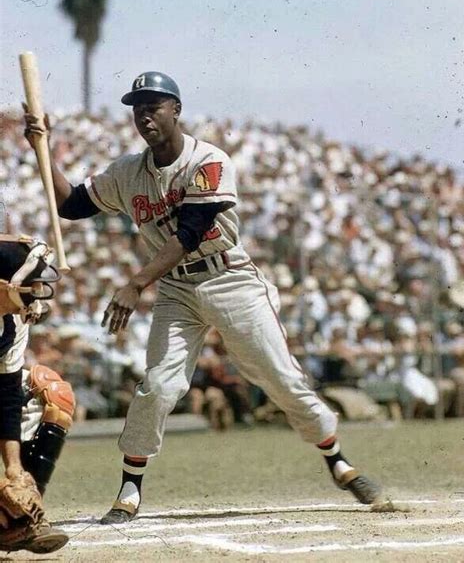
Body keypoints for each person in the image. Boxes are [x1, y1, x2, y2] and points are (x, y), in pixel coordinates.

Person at [24, 71, 381, 524]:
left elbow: (191, 233)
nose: (144, 116)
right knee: (158, 384)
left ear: (176, 110)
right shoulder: (127, 171)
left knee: (278, 376)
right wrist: (44, 149)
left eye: (154, 106)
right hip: (175, 287)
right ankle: (130, 489)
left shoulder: (208, 160)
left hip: (228, 278)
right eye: (137, 107)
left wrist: (135, 283)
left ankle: (337, 459)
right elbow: (70, 204)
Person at [0, 230, 73, 553]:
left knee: (50, 392)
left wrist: (14, 470)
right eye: (30, 286)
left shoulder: (13, 323)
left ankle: (18, 521)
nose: (38, 294)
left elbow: (7, 397)